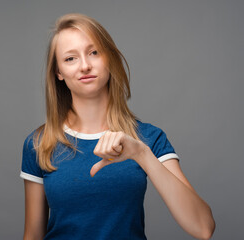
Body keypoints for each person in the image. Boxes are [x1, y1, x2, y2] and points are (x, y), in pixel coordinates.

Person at [20, 13, 215, 240]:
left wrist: (142, 154)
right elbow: (32, 235)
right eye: (70, 58)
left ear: (109, 59)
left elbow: (203, 228)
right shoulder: (39, 144)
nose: (84, 65)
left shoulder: (148, 138)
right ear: (58, 73)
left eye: (94, 53)